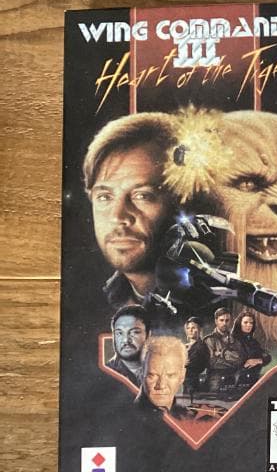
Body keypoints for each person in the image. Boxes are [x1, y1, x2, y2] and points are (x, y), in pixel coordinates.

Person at [83, 114, 181, 329]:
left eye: (142, 196)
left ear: (182, 200)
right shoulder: (95, 303)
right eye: (104, 197)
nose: (118, 217)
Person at [134, 336, 193, 419]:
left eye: (170, 375)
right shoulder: (124, 418)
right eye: (153, 375)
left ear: (182, 376)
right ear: (141, 374)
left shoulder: (189, 419)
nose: (161, 385)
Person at [105, 305, 150, 386]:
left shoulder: (163, 368)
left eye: (134, 332)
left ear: (148, 335)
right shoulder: (105, 372)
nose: (126, 340)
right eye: (119, 333)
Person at [202, 307, 241, 395]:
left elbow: (240, 360)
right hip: (215, 382)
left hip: (233, 380)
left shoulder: (236, 340)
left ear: (230, 321)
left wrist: (222, 354)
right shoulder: (209, 340)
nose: (224, 323)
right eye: (221, 320)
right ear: (216, 321)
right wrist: (232, 359)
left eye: (227, 320)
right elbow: (212, 363)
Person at [232, 311, 271, 391]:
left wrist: (258, 360)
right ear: (239, 323)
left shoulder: (253, 341)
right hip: (237, 381)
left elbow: (267, 356)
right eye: (245, 322)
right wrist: (244, 365)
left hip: (253, 380)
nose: (249, 325)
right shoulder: (232, 340)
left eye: (251, 323)